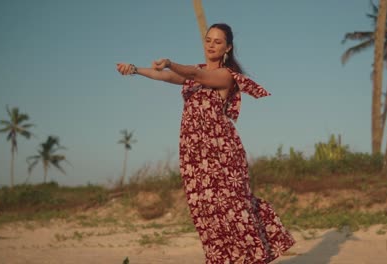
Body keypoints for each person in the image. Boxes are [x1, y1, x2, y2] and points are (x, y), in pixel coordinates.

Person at [116, 23, 295, 264]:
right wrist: (135, 69)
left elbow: (195, 75)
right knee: (206, 213)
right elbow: (165, 76)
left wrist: (170, 62)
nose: (211, 45)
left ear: (227, 48)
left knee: (233, 208)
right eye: (208, 40)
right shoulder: (194, 72)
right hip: (193, 155)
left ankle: (252, 258)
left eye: (217, 42)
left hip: (221, 154)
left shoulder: (224, 76)